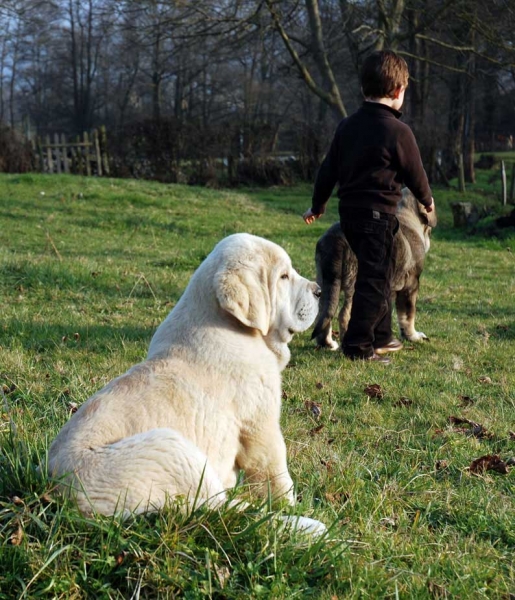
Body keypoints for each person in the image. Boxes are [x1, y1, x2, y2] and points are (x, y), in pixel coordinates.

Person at [303, 50, 434, 364]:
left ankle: (382, 336)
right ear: (398, 91)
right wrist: (427, 201)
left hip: (350, 215)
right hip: (378, 218)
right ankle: (359, 346)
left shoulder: (347, 126)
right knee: (374, 281)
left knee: (382, 272)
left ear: (363, 89)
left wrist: (317, 205)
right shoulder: (398, 132)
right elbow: (416, 173)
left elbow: (328, 169)